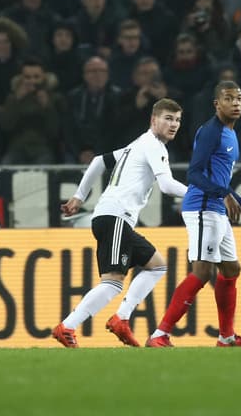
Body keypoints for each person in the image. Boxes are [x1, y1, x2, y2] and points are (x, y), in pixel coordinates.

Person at [52, 98, 188, 348]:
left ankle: (121, 319)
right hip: (115, 216)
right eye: (168, 118)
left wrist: (79, 196)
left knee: (157, 266)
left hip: (115, 218)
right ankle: (68, 326)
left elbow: (97, 162)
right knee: (113, 283)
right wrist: (199, 194)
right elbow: (167, 186)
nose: (174, 124)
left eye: (177, 120)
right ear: (153, 120)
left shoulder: (137, 144)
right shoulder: (154, 145)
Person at [146, 81, 241, 347]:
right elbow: (194, 173)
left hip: (216, 208)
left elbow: (220, 178)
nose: (235, 103)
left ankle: (226, 337)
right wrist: (223, 195)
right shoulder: (212, 131)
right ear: (216, 104)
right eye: (228, 99)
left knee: (231, 268)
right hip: (202, 206)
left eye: (239, 98)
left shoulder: (230, 133)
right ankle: (160, 334)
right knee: (201, 272)